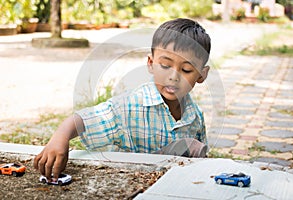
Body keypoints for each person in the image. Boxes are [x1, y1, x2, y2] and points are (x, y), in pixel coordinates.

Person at [34, 18, 211, 181]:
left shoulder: (195, 116)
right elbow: (83, 120)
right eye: (165, 66)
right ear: (150, 63)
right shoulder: (128, 107)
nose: (173, 76)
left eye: (186, 69)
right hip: (129, 185)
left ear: (201, 75)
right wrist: (60, 138)